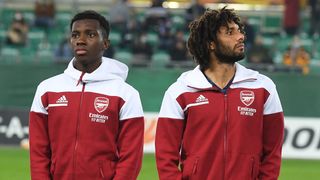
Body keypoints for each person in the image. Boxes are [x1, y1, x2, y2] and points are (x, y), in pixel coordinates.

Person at [155, 7, 284, 179]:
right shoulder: (180, 91)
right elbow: (165, 156)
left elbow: (273, 153)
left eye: (240, 31)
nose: (241, 37)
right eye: (230, 32)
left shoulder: (263, 88)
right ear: (211, 44)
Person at [29, 10, 144, 179]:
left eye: (90, 35)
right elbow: (38, 151)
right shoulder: (47, 89)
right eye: (75, 35)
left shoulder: (126, 94)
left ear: (105, 43)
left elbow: (131, 157)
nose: (80, 41)